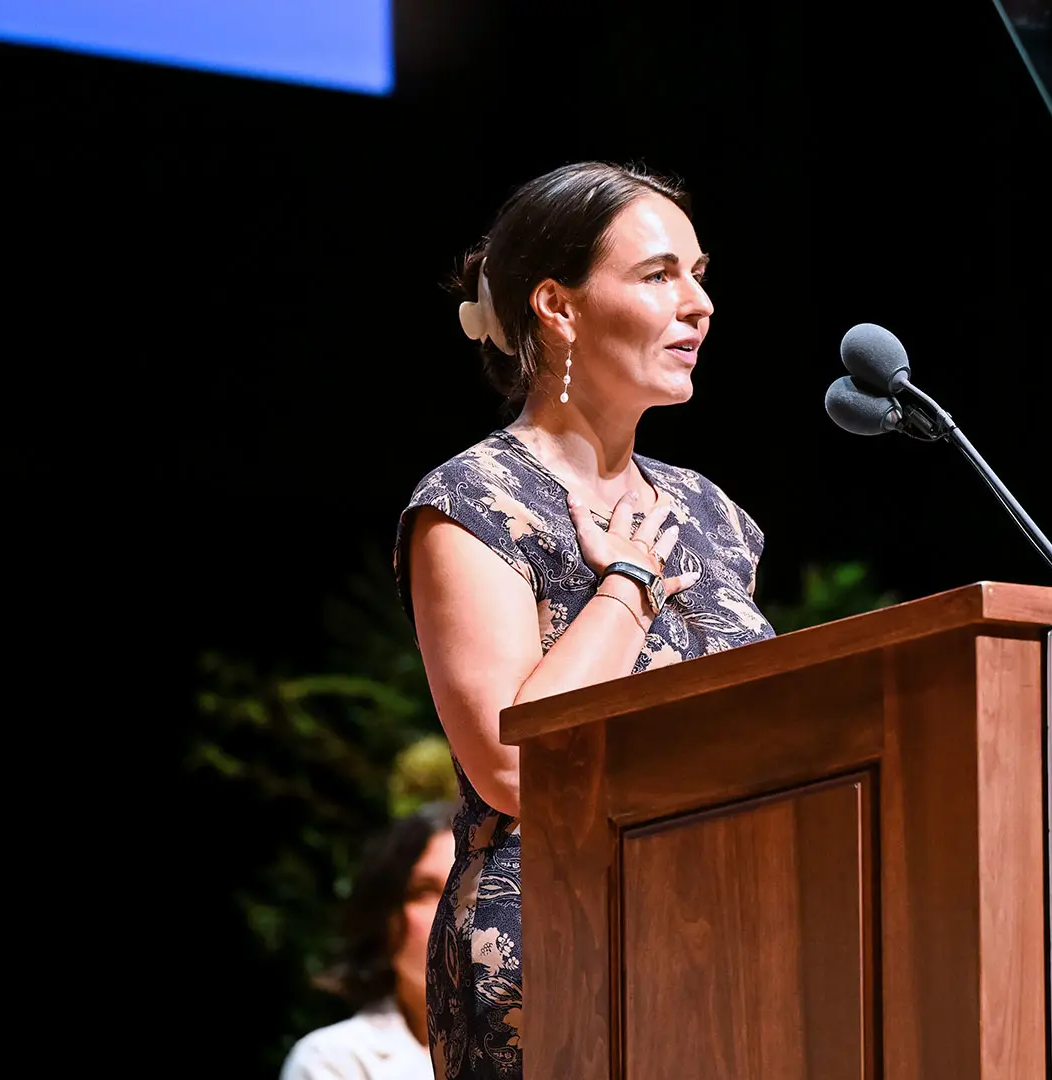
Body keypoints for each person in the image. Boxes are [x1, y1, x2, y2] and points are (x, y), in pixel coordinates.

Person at [395, 162, 774, 1079]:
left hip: (725, 935)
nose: (699, 304)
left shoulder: (712, 515)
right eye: (658, 276)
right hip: (555, 950)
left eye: (699, 273)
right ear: (558, 306)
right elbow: (515, 763)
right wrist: (627, 587)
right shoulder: (472, 502)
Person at [281, 801, 456, 1080]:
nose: (453, 915)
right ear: (384, 914)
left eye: (476, 888)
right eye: (424, 891)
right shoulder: (334, 1061)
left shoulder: (545, 1046)